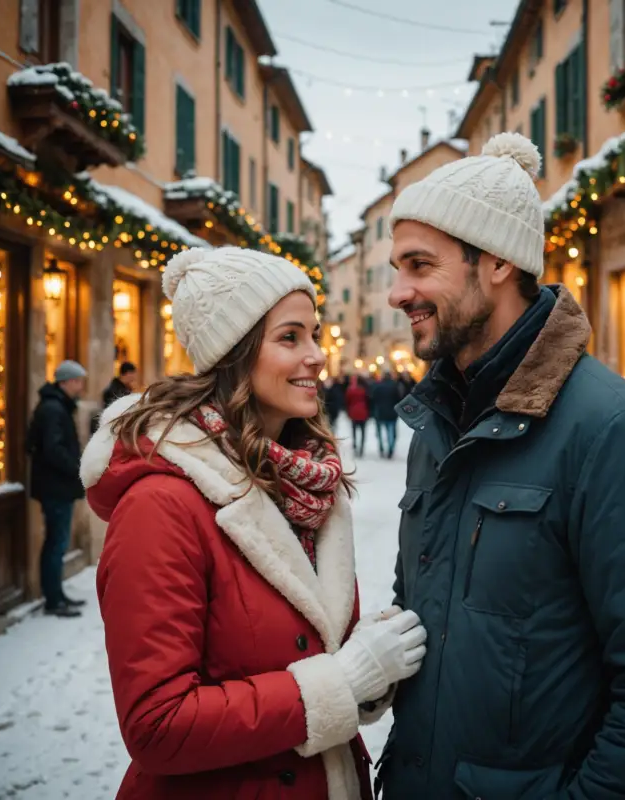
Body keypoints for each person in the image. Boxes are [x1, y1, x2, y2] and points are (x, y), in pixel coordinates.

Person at [375, 132, 625, 799]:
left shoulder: (618, 433)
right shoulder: (440, 421)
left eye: (419, 265)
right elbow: (430, 610)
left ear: (499, 261)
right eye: (397, 267)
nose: (398, 293)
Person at [80, 246, 426, 800]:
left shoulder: (307, 483)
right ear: (234, 355)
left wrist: (366, 662)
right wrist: (341, 682)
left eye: (315, 334)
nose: (317, 355)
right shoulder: (160, 505)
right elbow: (156, 726)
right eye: (290, 338)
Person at [27, 360, 88, 618]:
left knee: (57, 542)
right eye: (78, 381)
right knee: (56, 542)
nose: (82, 386)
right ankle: (53, 599)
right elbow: (53, 450)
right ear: (66, 381)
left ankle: (56, 594)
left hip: (56, 486)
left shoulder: (57, 406)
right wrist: (77, 467)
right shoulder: (53, 408)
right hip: (55, 487)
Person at [370, 372, 402, 459]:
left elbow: (373, 399)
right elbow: (399, 399)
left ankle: (381, 447)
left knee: (380, 432)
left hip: (380, 412)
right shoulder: (394, 387)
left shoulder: (378, 386)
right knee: (390, 432)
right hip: (392, 413)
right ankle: (390, 449)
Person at [344, 374, 370, 457]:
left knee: (354, 430)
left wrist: (348, 412)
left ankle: (355, 445)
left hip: (354, 412)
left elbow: (347, 401)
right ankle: (361, 448)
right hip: (363, 412)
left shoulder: (350, 390)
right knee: (363, 431)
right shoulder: (365, 389)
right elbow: (369, 401)